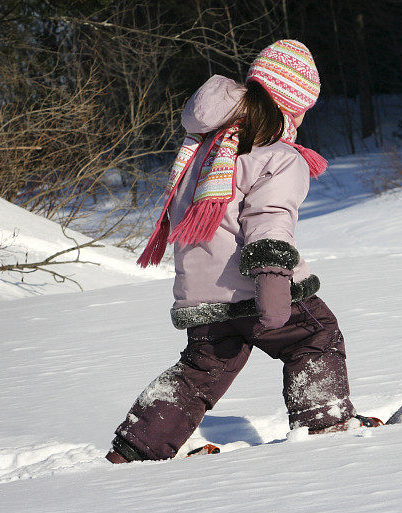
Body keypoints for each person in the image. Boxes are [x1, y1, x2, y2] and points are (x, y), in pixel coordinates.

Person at [106, 40, 380, 464]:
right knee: (315, 335)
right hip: (250, 287)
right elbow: (269, 220)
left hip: (202, 293)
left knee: (201, 370)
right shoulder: (276, 155)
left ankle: (135, 447)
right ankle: (325, 423)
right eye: (304, 108)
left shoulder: (205, 149)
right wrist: (273, 283)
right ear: (291, 107)